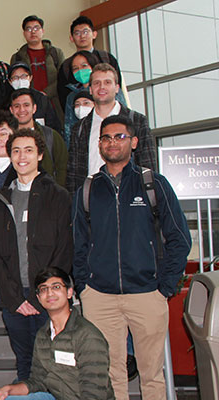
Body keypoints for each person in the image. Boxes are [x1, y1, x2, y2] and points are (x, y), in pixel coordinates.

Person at [72, 115, 191, 400]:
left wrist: (164, 286)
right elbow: (77, 244)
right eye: (106, 138)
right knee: (110, 375)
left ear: (134, 142)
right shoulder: (87, 190)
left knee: (152, 373)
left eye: (119, 137)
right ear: (100, 144)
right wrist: (83, 287)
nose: (112, 142)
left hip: (147, 294)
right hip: (100, 297)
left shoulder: (153, 184)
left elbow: (180, 238)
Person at [0, 129, 72, 383]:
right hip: (14, 297)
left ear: (40, 155)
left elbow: (64, 248)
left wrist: (44, 293)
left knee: (55, 364)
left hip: (48, 297)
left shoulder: (58, 196)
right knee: (25, 364)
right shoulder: (2, 198)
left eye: (28, 150)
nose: (21, 156)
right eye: (15, 151)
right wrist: (13, 298)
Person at [0, 268, 114, 400]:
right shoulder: (43, 334)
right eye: (44, 289)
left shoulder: (88, 335)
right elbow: (37, 381)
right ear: (38, 298)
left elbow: (94, 393)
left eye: (56, 287)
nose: (50, 293)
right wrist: (8, 390)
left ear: (69, 292)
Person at [66, 63, 157, 196]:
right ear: (90, 89)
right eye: (97, 83)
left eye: (107, 82)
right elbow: (73, 174)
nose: (102, 87)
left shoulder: (137, 121)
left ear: (117, 88)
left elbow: (148, 166)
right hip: (92, 200)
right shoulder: (79, 128)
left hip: (130, 197)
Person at [57, 15, 123, 111]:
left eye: (85, 32)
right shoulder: (67, 66)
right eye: (77, 33)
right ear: (71, 38)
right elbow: (63, 96)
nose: (82, 36)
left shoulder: (107, 58)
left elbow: (118, 86)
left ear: (94, 34)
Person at [9, 89, 67, 186]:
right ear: (11, 110)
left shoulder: (50, 136)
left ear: (34, 108)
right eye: (17, 106)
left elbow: (63, 168)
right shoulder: (7, 138)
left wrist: (56, 193)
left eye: (26, 105)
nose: (22, 110)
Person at [10, 15, 64, 118]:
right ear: (24, 34)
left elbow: (62, 78)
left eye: (36, 28)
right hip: (28, 107)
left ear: (42, 31)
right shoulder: (17, 57)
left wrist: (45, 93)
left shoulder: (55, 53)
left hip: (54, 104)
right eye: (28, 29)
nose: (33, 32)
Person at [7, 62, 61, 133]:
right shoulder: (6, 101)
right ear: (10, 81)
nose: (20, 80)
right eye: (15, 77)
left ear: (30, 78)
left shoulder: (41, 99)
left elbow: (54, 125)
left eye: (24, 76)